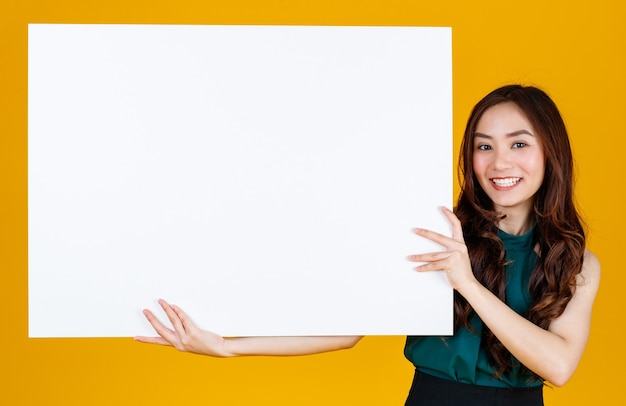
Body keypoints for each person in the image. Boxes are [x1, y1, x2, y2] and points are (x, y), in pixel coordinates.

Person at [135, 84, 600, 405]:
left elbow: (558, 366)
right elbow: (348, 330)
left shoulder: (576, 263)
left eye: (519, 144)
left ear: (549, 151)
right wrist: (227, 345)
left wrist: (467, 283)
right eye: (483, 146)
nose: (500, 161)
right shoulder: (435, 233)